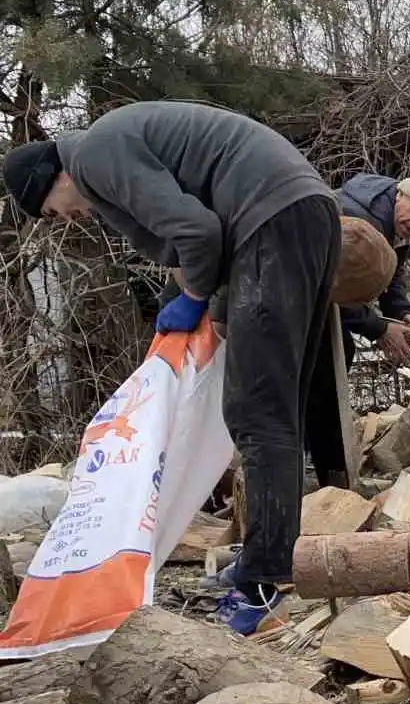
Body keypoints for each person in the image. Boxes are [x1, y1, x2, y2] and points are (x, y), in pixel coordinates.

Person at [2, 100, 342, 636]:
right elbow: (211, 226)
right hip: (298, 212)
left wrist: (194, 294)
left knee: (258, 413)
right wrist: (222, 309)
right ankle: (267, 560)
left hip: (272, 219)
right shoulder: (110, 145)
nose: (64, 220)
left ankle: (265, 580)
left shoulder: (92, 155)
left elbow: (198, 233)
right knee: (276, 402)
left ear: (53, 177)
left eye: (49, 210)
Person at [335, 169, 410, 365]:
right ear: (400, 194)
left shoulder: (395, 221)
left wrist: (400, 312)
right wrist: (380, 329)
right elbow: (333, 291)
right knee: (332, 356)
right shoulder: (358, 225)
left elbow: (390, 271)